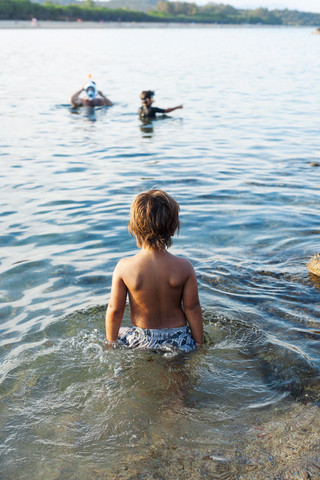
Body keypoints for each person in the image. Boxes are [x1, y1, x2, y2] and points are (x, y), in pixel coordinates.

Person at [105, 189, 204, 352]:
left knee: (122, 335)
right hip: (179, 339)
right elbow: (192, 307)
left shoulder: (124, 267)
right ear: (173, 230)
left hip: (142, 340)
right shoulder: (184, 267)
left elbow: (115, 310)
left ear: (133, 228)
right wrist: (199, 343)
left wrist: (111, 343)